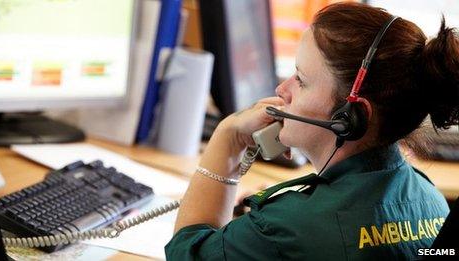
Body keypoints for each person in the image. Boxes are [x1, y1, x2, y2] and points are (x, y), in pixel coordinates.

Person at [165, 2, 458, 260]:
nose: (283, 89)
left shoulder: (289, 228)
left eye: (301, 81)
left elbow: (186, 252)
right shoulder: (429, 198)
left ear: (350, 117)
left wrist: (227, 139)